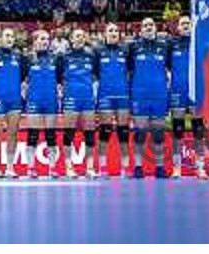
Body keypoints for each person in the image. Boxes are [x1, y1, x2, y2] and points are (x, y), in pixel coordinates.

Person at [129, 17, 170, 179]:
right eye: (145, 25)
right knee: (140, 133)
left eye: (150, 25)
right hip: (140, 95)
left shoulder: (164, 46)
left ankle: (159, 168)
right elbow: (128, 69)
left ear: (156, 28)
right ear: (140, 30)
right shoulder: (133, 47)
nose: (148, 27)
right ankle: (138, 168)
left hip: (160, 95)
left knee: (158, 134)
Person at [169, 16, 209, 179]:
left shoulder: (199, 44)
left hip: (195, 91)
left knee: (198, 129)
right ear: (178, 28)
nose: (186, 26)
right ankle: (177, 168)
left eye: (188, 23)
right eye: (183, 24)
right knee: (177, 130)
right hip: (178, 90)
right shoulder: (171, 45)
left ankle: (200, 167)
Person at [0, 28, 26, 178]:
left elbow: (23, 75)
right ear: (0, 39)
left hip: (14, 99)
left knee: (13, 134)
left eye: (12, 36)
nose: (10, 38)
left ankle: (10, 167)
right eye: (7, 36)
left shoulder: (18, 56)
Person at [58, 29, 98, 178]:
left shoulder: (91, 55)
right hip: (70, 98)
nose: (80, 38)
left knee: (89, 134)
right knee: (69, 133)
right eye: (77, 36)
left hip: (87, 98)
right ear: (71, 39)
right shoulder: (63, 57)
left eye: (82, 36)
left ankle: (89, 167)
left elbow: (96, 74)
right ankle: (69, 167)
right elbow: (58, 77)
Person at [95, 23, 131, 177]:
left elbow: (130, 70)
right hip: (105, 95)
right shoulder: (98, 51)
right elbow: (95, 72)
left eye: (116, 30)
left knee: (123, 132)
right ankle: (102, 167)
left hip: (122, 94)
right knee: (105, 131)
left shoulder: (125, 51)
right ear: (105, 34)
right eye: (110, 30)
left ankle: (125, 167)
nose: (114, 32)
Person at [25, 30, 59, 178]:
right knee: (33, 135)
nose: (45, 41)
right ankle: (30, 168)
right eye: (42, 39)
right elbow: (22, 80)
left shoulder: (56, 59)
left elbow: (61, 80)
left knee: (51, 136)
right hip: (34, 101)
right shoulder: (27, 59)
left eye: (47, 39)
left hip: (50, 101)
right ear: (35, 41)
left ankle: (52, 169)